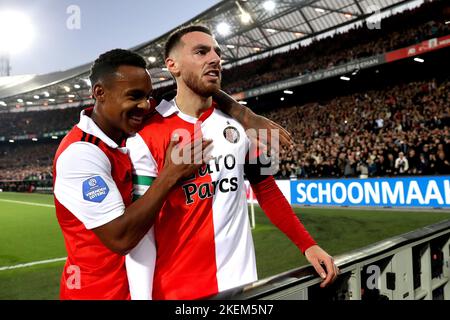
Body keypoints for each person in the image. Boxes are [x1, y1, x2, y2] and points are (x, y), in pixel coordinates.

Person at [126, 25, 338, 300]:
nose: (215, 58)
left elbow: (267, 189)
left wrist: (308, 245)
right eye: (201, 52)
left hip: (243, 286)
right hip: (177, 292)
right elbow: (142, 231)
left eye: (217, 52)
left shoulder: (241, 125)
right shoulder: (146, 133)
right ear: (172, 65)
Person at [53, 49, 285, 300]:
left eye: (147, 96)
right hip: (98, 294)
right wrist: (170, 174)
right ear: (100, 93)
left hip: (139, 289)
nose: (144, 105)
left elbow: (197, 91)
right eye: (135, 97)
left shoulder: (124, 130)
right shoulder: (80, 155)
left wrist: (244, 114)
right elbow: (120, 239)